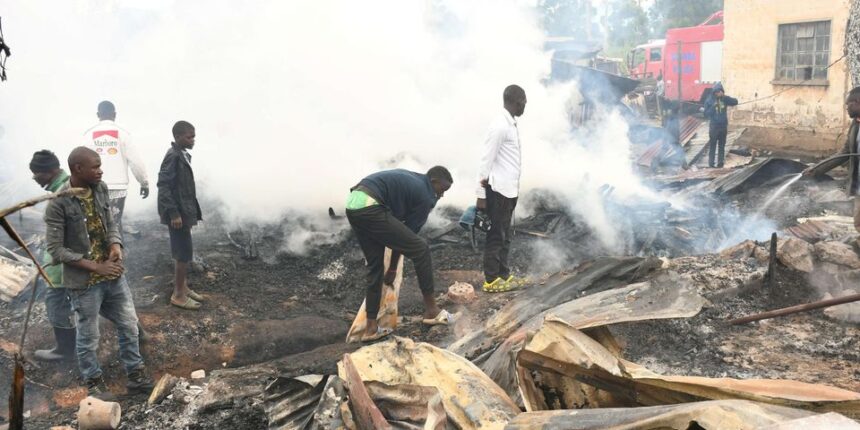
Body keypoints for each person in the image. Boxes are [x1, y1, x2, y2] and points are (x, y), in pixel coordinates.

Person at [44, 147, 152, 399]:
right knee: (89, 336)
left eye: (100, 165)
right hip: (84, 283)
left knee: (129, 325)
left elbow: (111, 223)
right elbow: (56, 250)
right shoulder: (58, 203)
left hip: (113, 275)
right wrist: (96, 266)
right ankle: (94, 383)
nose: (101, 171)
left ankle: (136, 376)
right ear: (77, 169)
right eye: (95, 166)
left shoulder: (100, 188)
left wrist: (115, 245)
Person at [346, 166, 454, 341]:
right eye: (441, 190)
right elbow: (408, 237)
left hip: (354, 204)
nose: (441, 195)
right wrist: (393, 268)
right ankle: (432, 311)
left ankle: (371, 328)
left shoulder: (415, 180)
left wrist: (391, 269)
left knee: (375, 266)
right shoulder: (425, 195)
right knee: (421, 249)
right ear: (433, 182)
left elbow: (399, 237)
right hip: (371, 206)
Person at [477, 84, 527, 293]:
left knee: (505, 236)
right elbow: (485, 161)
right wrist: (481, 195)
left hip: (509, 191)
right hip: (498, 191)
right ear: (516, 101)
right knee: (496, 236)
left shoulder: (511, 124)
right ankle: (491, 279)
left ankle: (503, 275)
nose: (525, 105)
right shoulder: (500, 126)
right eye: (524, 102)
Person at [29, 150, 75, 362]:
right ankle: (136, 331)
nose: (34, 178)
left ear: (50, 171)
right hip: (73, 259)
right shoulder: (67, 186)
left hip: (62, 263)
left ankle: (64, 350)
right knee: (102, 298)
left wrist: (55, 256)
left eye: (36, 173)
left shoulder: (61, 194)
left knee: (56, 302)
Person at [157, 121, 203, 310]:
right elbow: (163, 185)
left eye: (194, 136)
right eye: (189, 137)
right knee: (182, 253)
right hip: (178, 213)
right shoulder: (173, 156)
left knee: (184, 250)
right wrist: (174, 214)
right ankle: (178, 295)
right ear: (177, 137)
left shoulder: (182, 154)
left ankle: (183, 287)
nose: (193, 140)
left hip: (184, 210)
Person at [83, 101, 149, 231]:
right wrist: (144, 183)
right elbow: (136, 162)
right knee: (115, 224)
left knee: (97, 225)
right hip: (118, 188)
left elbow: (81, 161)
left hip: (95, 186)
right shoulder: (123, 134)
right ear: (115, 114)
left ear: (98, 115)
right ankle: (117, 243)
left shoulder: (88, 135)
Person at [803, 86, 860, 233]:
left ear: (858, 102)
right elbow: (845, 152)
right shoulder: (855, 124)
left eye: (849, 104)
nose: (846, 107)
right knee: (858, 224)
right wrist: (817, 169)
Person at [703, 83, 738, 168]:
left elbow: (735, 102)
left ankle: (720, 163)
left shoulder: (724, 99)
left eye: (720, 91)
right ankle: (711, 164)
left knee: (722, 145)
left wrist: (724, 97)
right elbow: (706, 114)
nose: (718, 93)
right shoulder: (709, 100)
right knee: (713, 145)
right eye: (717, 92)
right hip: (714, 127)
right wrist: (713, 107)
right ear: (714, 92)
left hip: (723, 126)